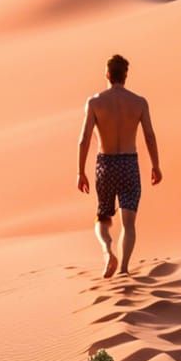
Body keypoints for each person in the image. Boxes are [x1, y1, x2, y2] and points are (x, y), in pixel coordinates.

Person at [76, 54, 162, 277]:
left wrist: (80, 172)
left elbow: (84, 139)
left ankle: (107, 251)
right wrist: (156, 165)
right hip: (129, 164)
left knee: (102, 217)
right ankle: (124, 268)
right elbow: (150, 136)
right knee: (129, 223)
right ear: (126, 75)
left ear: (107, 74)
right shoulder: (139, 103)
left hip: (105, 165)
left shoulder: (94, 102)